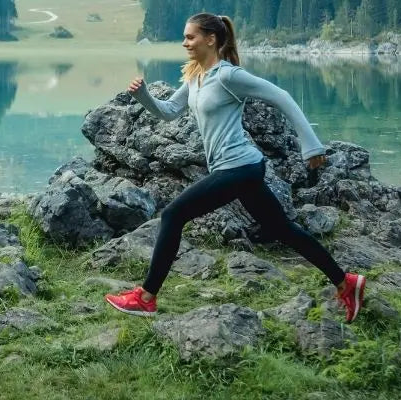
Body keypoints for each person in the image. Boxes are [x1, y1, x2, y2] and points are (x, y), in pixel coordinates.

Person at [104, 13, 365, 322]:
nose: (185, 42)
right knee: (282, 229)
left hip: (238, 167)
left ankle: (146, 297)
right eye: (185, 37)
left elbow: (281, 96)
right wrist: (143, 95)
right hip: (241, 168)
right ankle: (345, 282)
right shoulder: (195, 77)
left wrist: (311, 145)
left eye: (190, 37)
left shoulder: (228, 76)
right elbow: (169, 112)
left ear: (210, 39)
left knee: (174, 214)